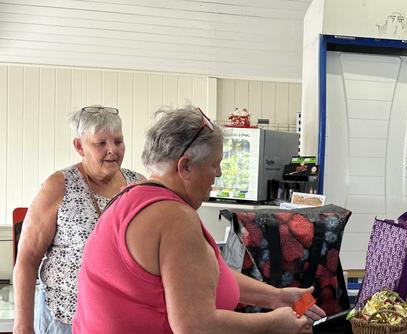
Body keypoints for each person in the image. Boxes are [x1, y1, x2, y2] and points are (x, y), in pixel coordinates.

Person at [73, 106, 326, 334]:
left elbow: (202, 276)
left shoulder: (133, 196)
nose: (218, 173)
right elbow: (194, 326)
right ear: (185, 167)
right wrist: (274, 324)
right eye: (214, 165)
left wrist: (276, 297)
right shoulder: (174, 217)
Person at [13, 106, 144, 334]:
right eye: (101, 143)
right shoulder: (59, 184)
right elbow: (27, 259)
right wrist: (23, 326)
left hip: (118, 320)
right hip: (64, 318)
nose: (112, 150)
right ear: (79, 146)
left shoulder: (138, 185)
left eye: (118, 141)